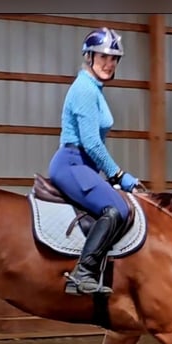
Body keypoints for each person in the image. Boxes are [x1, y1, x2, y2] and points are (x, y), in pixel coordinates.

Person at [48, 27, 141, 296]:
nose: (109, 63)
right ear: (88, 57)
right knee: (116, 209)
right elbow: (91, 142)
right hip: (71, 163)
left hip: (84, 165)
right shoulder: (84, 90)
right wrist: (118, 174)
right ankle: (83, 273)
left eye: (114, 59)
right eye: (102, 56)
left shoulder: (94, 89)